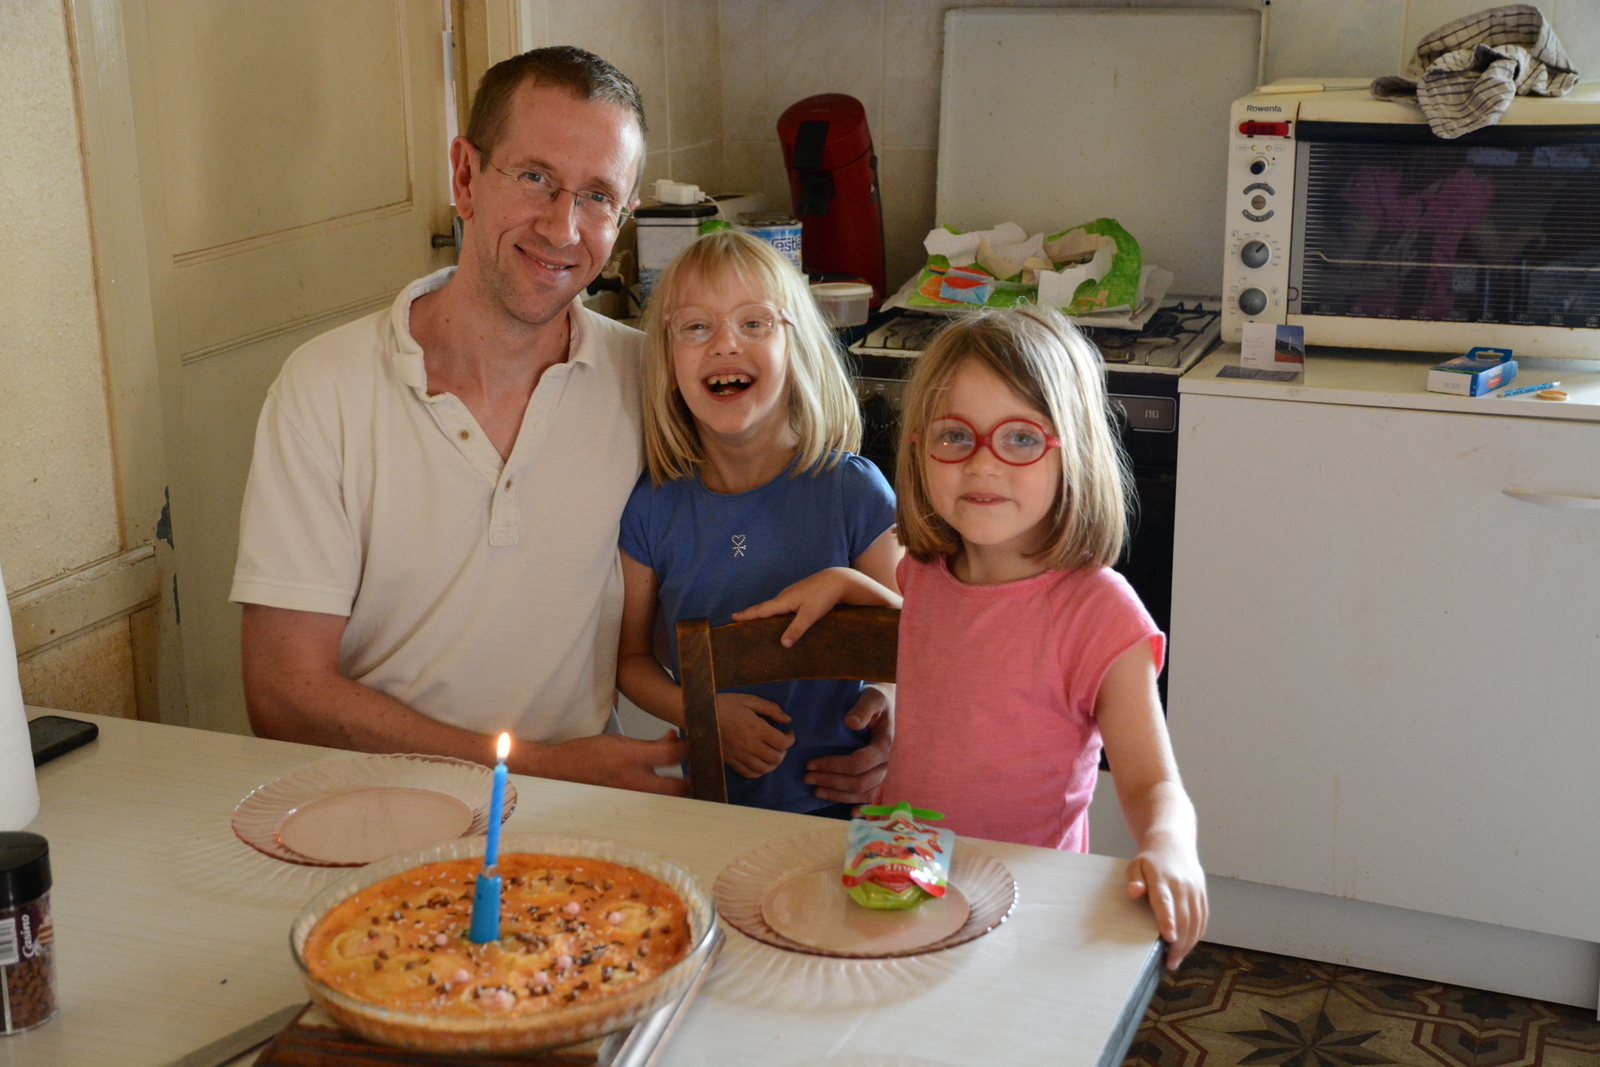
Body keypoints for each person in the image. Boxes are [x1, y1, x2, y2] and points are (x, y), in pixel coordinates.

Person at [230, 47, 892, 801]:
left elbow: (791, 507)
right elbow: (282, 697)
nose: (562, 226)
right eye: (535, 178)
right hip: (376, 815)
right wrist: (538, 766)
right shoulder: (325, 389)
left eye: (598, 196)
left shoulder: (655, 381)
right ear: (465, 176)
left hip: (587, 820)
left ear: (624, 217)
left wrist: (891, 707)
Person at [741, 307, 1208, 966]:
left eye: (1019, 438)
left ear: (1072, 449)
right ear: (918, 448)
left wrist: (1170, 846)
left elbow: (1151, 783)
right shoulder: (925, 574)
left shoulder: (1100, 613)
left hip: (1022, 913)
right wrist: (849, 582)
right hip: (902, 877)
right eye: (955, 436)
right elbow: (956, 640)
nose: (983, 464)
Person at [615, 231, 900, 815]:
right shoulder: (650, 509)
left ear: (797, 349)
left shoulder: (854, 493)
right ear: (667, 362)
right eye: (696, 326)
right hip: (714, 816)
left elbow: (921, 643)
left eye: (754, 323)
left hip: (852, 820)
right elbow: (631, 662)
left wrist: (892, 709)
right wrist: (702, 711)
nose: (725, 344)